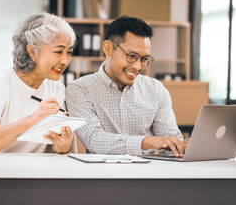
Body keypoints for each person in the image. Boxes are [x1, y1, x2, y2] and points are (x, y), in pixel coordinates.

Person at [65, 16, 188, 156]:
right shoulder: (80, 89)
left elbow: (170, 138)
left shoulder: (156, 89)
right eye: (131, 56)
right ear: (108, 48)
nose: (137, 66)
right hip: (104, 175)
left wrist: (180, 146)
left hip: (150, 174)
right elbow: (94, 140)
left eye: (144, 59)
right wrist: (148, 142)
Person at [0, 13, 76, 154]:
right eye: (58, 51)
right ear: (32, 51)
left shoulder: (56, 89)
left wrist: (62, 145)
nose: (65, 61)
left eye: (69, 52)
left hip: (29, 173)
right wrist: (33, 119)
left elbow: (55, 146)